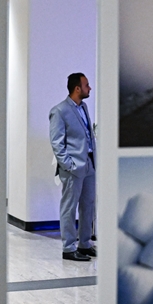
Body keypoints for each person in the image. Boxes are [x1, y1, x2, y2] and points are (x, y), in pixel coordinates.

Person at [49, 73, 96, 262]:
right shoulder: (59, 111)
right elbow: (57, 143)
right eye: (86, 85)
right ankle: (68, 248)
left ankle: (84, 244)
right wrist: (69, 166)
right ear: (77, 88)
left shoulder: (83, 107)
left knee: (88, 205)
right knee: (69, 207)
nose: (89, 88)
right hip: (74, 168)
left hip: (89, 164)